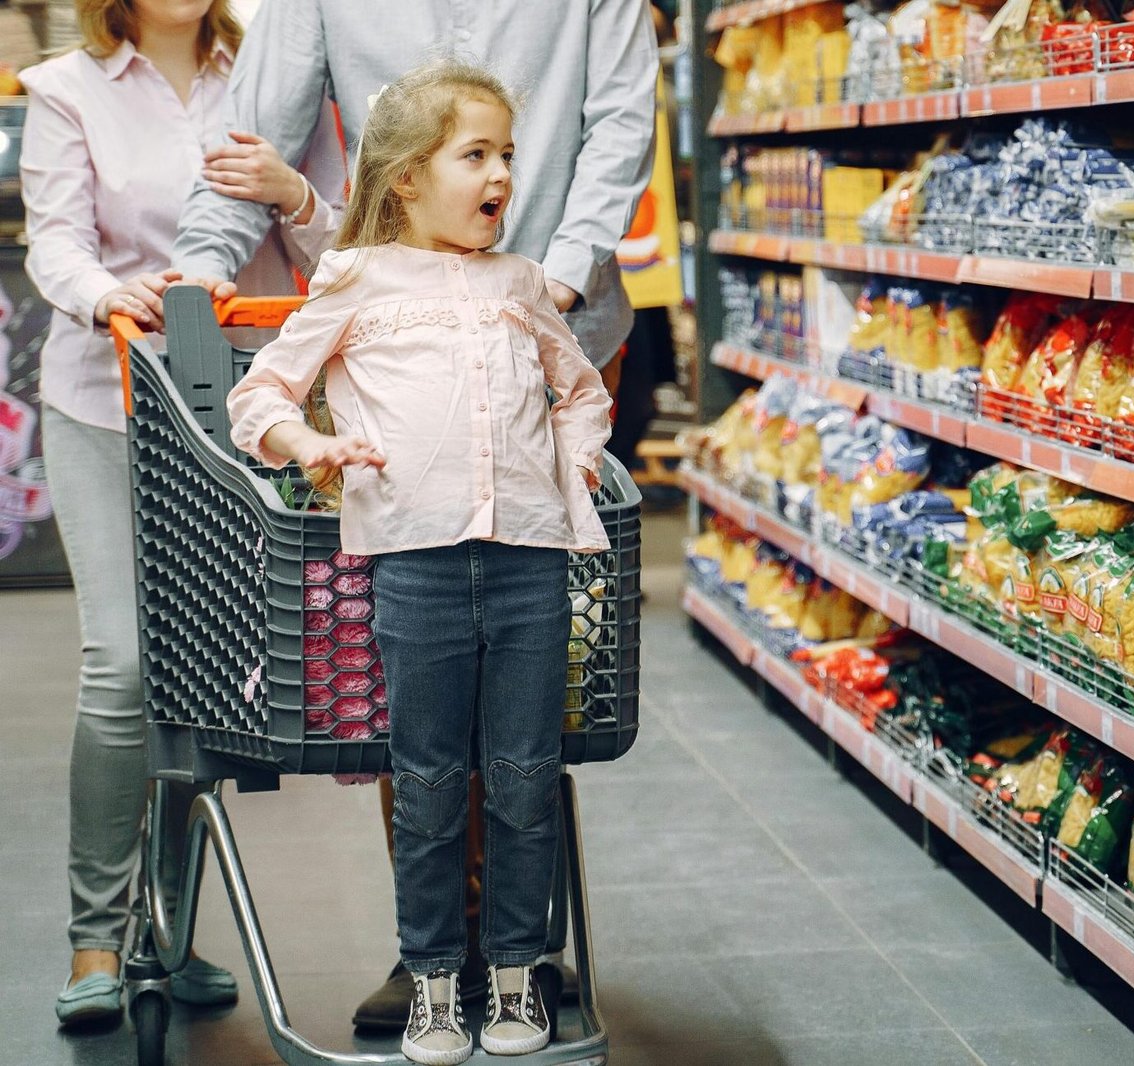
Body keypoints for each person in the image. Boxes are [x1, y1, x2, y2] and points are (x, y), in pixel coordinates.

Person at [172, 0, 657, 1029]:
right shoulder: (354, 268)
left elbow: (622, 124)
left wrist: (552, 286)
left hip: (557, 303)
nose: (496, 171)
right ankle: (446, 948)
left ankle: (518, 943)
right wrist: (201, 270)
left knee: (541, 689)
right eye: (479, 154)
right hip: (392, 349)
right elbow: (258, 134)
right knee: (424, 708)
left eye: (503, 154)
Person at [19, 0, 342, 1030]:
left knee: (198, 670)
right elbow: (53, 244)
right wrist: (111, 295)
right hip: (105, 402)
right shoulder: (66, 91)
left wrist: (292, 193)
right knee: (122, 661)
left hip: (235, 415)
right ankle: (94, 937)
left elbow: (341, 242)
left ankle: (171, 929)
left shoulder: (278, 77)